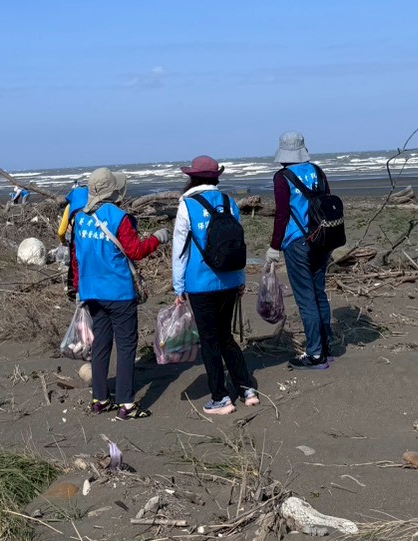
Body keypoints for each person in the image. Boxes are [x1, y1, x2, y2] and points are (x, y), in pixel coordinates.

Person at [70, 167, 166, 420]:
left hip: (92, 292)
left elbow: (77, 258)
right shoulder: (119, 217)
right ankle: (127, 404)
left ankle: (100, 399)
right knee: (126, 347)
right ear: (112, 191)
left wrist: (79, 288)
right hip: (118, 292)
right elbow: (135, 251)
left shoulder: (80, 218)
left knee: (101, 345)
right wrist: (157, 238)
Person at [172, 155, 259, 415]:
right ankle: (247, 389)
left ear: (192, 177)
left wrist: (178, 287)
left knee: (210, 340)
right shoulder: (229, 202)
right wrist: (241, 280)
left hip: (200, 283)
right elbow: (237, 245)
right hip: (230, 279)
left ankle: (220, 398)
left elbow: (179, 251)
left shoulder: (187, 205)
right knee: (225, 336)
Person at [270, 131, 333, 369]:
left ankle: (315, 354)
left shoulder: (282, 177)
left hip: (297, 242)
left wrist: (274, 247)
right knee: (319, 294)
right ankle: (326, 347)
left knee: (306, 300)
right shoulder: (317, 171)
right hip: (322, 239)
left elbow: (282, 215)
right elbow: (328, 201)